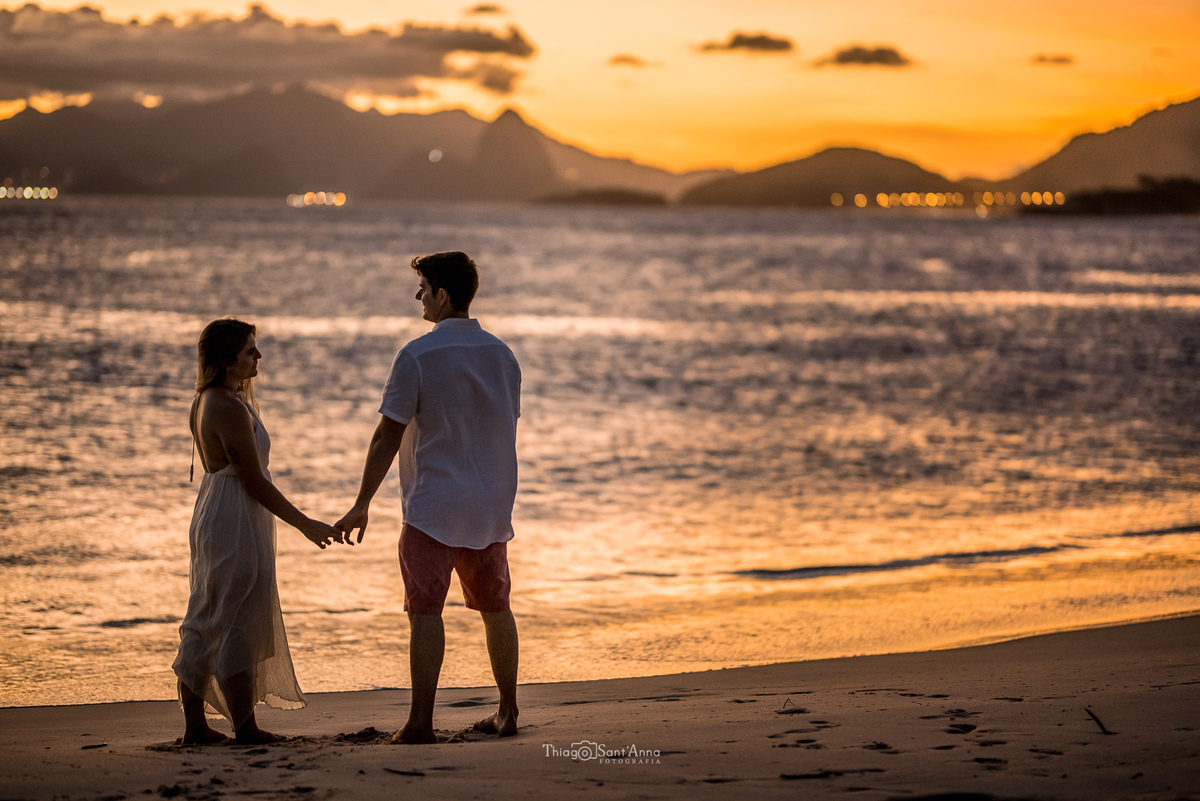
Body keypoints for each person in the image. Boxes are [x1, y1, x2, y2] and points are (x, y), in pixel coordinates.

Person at [337, 251, 522, 744]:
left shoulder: (417, 355)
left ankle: (420, 721)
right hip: (489, 505)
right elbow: (503, 426)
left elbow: (386, 436)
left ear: (442, 295)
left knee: (425, 611)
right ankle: (507, 711)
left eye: (423, 288)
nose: (418, 296)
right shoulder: (503, 354)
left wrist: (362, 502)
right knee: (496, 608)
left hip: (433, 505)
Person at [173, 318, 345, 745]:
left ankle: (231, 723)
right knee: (219, 615)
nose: (259, 357)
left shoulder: (219, 399)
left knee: (231, 612)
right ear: (227, 359)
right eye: (250, 350)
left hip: (227, 509)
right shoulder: (226, 406)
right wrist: (305, 524)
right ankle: (218, 726)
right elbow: (253, 480)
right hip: (233, 515)